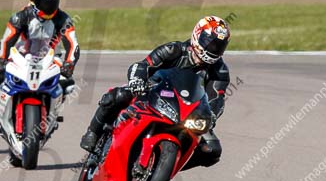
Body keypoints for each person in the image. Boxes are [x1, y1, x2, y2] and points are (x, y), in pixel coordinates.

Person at [79, 16, 231, 170]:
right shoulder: (174, 49)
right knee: (117, 96)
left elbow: (217, 97)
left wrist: (211, 115)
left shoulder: (220, 71)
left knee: (212, 150)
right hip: (152, 94)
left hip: (186, 112)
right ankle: (93, 133)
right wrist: (137, 81)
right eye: (209, 42)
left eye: (218, 46)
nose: (213, 49)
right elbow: (142, 65)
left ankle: (167, 167)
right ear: (197, 35)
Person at [0, 0, 80, 127]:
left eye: (51, 2)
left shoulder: (63, 19)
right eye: (44, 3)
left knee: (67, 83)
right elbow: (5, 41)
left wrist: (69, 64)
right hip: (22, 56)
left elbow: (73, 44)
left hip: (51, 57)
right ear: (33, 0)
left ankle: (53, 113)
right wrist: (1, 60)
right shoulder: (20, 17)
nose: (48, 7)